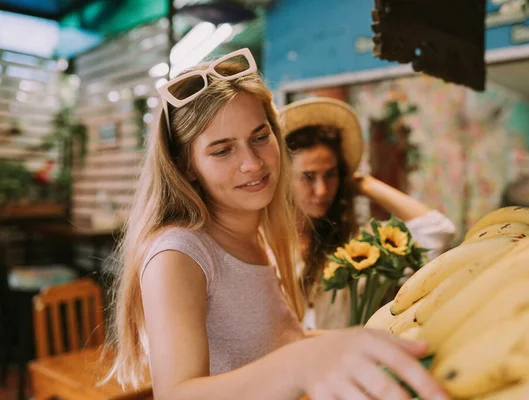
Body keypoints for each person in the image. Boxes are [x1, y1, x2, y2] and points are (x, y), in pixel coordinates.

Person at [103, 48, 449, 400]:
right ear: (187, 166)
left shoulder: (256, 237)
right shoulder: (179, 252)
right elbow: (177, 395)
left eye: (259, 137)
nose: (252, 163)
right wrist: (303, 362)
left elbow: (275, 347)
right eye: (223, 150)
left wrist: (360, 344)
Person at [280, 98, 457, 330]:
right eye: (309, 177)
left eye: (331, 175)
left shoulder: (359, 248)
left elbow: (438, 232)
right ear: (284, 179)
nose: (322, 190)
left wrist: (364, 184)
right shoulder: (268, 247)